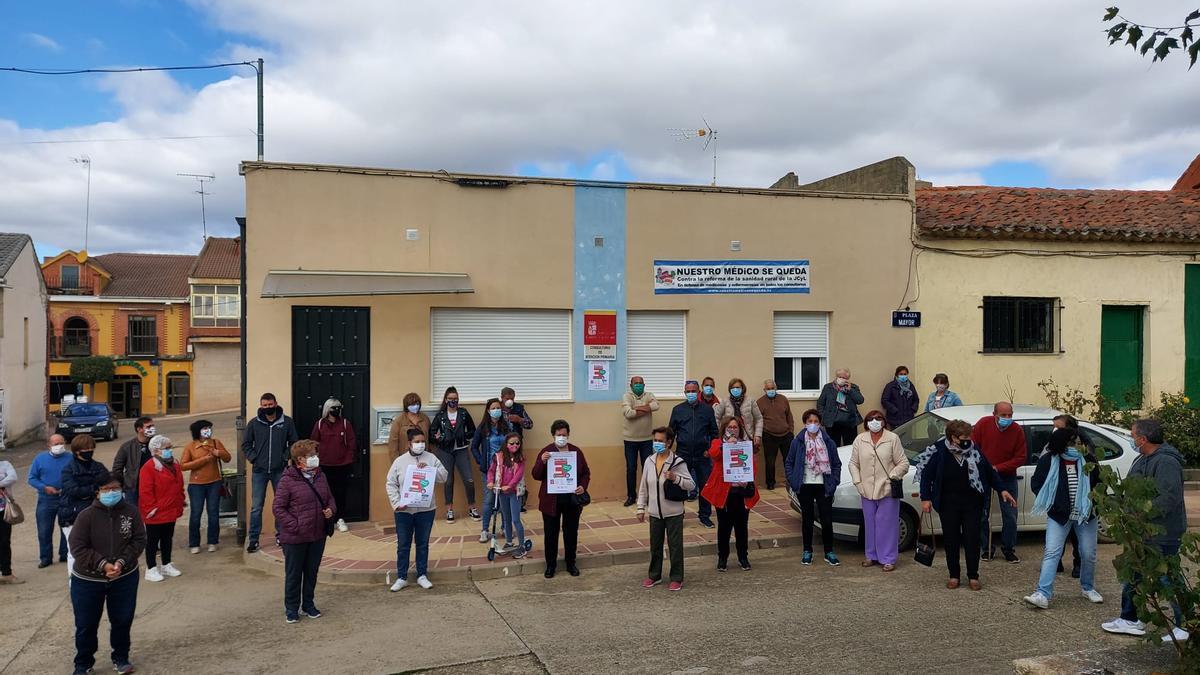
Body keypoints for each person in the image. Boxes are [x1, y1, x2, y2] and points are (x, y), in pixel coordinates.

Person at [1102, 419, 1190, 641]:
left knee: (1167, 576)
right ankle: (1130, 618)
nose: (1131, 440)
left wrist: (1140, 516)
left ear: (1143, 439)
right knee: (1133, 573)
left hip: (1163, 532)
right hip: (1141, 532)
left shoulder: (1167, 462)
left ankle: (1186, 624)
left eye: (1133, 436)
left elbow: (1168, 498)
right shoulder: (1144, 458)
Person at [915, 420, 1017, 590]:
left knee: (972, 539)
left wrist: (1002, 490)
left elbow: (989, 471)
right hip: (948, 504)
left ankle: (973, 576)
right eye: (964, 437)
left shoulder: (974, 450)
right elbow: (927, 476)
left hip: (972, 503)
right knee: (951, 540)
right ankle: (954, 575)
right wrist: (925, 498)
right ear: (953, 438)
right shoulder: (939, 451)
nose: (968, 439)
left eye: (969, 436)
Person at [68, 472, 146, 675]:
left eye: (115, 489)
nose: (111, 492)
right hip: (88, 579)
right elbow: (77, 546)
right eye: (106, 489)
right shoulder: (86, 516)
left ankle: (121, 658)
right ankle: (83, 663)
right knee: (86, 623)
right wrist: (102, 564)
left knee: (122, 619)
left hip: (124, 576)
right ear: (97, 493)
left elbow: (138, 540)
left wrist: (121, 562)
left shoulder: (131, 512)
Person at [1023, 427, 1104, 610]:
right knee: (1052, 552)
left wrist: (1094, 501)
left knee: (1088, 553)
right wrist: (1053, 503)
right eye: (1072, 442)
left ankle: (1088, 587)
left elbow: (1100, 484)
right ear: (1062, 443)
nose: (1076, 446)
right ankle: (1042, 593)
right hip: (1059, 515)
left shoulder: (1089, 461)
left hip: (1086, 515)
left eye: (1078, 442)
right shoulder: (1048, 461)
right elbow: (1037, 484)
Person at [272, 439, 336, 623]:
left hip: (317, 534)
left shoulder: (320, 476)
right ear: (299, 459)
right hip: (295, 537)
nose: (316, 458)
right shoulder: (287, 480)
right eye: (312, 456)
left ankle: (309, 604)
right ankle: (291, 608)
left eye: (316, 455)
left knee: (311, 572)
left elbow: (330, 498)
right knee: (294, 573)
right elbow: (278, 508)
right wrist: (296, 525)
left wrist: (331, 510)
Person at [387, 428, 449, 591]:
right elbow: (391, 483)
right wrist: (396, 503)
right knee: (403, 544)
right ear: (409, 443)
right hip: (404, 511)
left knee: (422, 544)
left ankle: (422, 574)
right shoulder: (400, 461)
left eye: (423, 441)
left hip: (426, 510)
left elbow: (444, 477)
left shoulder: (431, 458)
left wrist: (430, 469)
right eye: (417, 442)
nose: (420, 444)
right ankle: (402, 577)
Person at [849, 410, 909, 571]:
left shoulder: (892, 438)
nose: (874, 421)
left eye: (878, 418)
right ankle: (871, 555)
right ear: (866, 423)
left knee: (887, 524)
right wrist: (858, 482)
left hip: (887, 489)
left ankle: (888, 558)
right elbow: (853, 463)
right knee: (870, 524)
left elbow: (903, 463)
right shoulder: (860, 439)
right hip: (866, 489)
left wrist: (893, 476)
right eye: (871, 419)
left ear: (884, 421)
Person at [636, 427, 695, 591]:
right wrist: (641, 507)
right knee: (655, 545)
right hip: (654, 512)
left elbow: (691, 484)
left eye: (660, 441)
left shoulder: (678, 462)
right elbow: (643, 486)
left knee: (675, 546)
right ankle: (654, 575)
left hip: (674, 512)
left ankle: (677, 577)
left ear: (669, 442)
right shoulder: (649, 461)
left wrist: (675, 478)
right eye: (655, 440)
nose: (657, 443)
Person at [532, 420, 590, 578]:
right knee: (551, 534)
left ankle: (571, 564)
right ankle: (551, 565)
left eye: (564, 434)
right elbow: (536, 475)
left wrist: (582, 487)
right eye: (559, 435)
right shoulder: (547, 451)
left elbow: (585, 473)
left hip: (571, 500)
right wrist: (542, 462)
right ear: (553, 435)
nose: (562, 437)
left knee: (571, 533)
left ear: (568, 435)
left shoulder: (576, 452)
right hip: (551, 500)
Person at [243, 393, 300, 553]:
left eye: (270, 404)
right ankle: (253, 539)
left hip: (279, 470)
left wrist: (284, 457)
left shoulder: (286, 422)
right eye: (264, 405)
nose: (268, 407)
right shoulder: (254, 423)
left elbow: (294, 442)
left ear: (275, 403)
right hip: (259, 472)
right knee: (256, 507)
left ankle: (281, 535)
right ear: (261, 406)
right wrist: (254, 458)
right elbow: (246, 444)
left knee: (281, 505)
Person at [785, 409, 843, 566]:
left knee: (826, 519)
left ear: (820, 423)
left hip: (823, 485)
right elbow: (789, 462)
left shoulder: (828, 442)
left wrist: (834, 481)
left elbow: (836, 464)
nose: (813, 424)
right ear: (805, 423)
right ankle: (807, 551)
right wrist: (792, 480)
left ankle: (829, 551)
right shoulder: (798, 441)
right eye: (809, 421)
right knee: (807, 519)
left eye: (816, 421)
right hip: (804, 485)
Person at [704, 417, 761, 572]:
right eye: (730, 427)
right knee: (724, 527)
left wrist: (748, 479)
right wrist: (725, 446)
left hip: (741, 492)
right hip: (724, 493)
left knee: (741, 527)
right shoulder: (718, 442)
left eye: (735, 427)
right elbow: (713, 453)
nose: (733, 430)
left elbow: (752, 466)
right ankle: (722, 558)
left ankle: (743, 557)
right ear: (724, 429)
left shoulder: (745, 444)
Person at [972, 402, 1026, 563]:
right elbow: (974, 448)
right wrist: (986, 467)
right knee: (982, 513)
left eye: (1010, 415)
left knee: (1010, 514)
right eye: (1003, 415)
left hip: (1006, 475)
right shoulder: (983, 424)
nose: (1007, 418)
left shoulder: (1017, 430)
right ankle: (986, 548)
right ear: (995, 414)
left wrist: (999, 467)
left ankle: (1008, 548)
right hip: (984, 475)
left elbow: (1021, 457)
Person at [668, 380, 719, 528]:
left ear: (698, 392)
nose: (691, 393)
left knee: (705, 486)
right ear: (685, 392)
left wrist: (709, 451)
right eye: (688, 391)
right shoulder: (677, 410)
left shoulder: (707, 410)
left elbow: (714, 432)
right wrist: (669, 451)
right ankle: (678, 515)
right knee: (679, 484)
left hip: (702, 455)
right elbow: (671, 432)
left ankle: (704, 516)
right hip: (682, 454)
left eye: (693, 391)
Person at [59, 435, 110, 579]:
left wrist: (92, 489)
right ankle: (74, 580)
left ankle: (95, 576)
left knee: (97, 548)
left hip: (97, 514)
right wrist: (95, 489)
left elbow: (108, 483)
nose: (89, 451)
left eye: (91, 448)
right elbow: (73, 491)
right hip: (72, 515)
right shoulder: (68, 470)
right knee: (74, 551)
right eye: (85, 449)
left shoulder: (98, 466)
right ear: (76, 451)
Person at [139, 435, 185, 582]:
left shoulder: (175, 465)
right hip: (156, 512)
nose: (169, 450)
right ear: (156, 450)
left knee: (167, 538)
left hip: (171, 509)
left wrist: (181, 501)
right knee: (152, 540)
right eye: (166, 448)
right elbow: (146, 491)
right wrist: (152, 509)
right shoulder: (148, 467)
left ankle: (166, 564)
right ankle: (151, 568)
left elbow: (179, 486)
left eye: (170, 447)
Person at [180, 419, 232, 554]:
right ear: (198, 431)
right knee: (196, 514)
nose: (207, 430)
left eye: (209, 428)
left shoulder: (216, 442)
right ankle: (194, 543)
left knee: (213, 513)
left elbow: (228, 458)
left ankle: (213, 541)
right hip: (196, 485)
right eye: (204, 428)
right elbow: (183, 465)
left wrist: (218, 453)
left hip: (214, 482)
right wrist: (203, 460)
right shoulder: (191, 446)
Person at [430, 386, 480, 523]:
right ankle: (449, 510)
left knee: (469, 479)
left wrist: (464, 436)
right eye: (450, 399)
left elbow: (472, 430)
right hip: (445, 451)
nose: (453, 401)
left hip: (462, 449)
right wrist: (440, 438)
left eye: (456, 399)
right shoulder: (440, 416)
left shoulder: (463, 413)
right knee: (448, 481)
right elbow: (432, 433)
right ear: (446, 400)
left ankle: (472, 507)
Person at [309, 397, 356, 533]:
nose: (336, 410)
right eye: (333, 408)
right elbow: (313, 444)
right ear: (327, 410)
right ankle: (326, 520)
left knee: (341, 493)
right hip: (324, 465)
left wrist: (348, 459)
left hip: (342, 465)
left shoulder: (345, 424)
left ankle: (340, 518)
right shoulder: (319, 425)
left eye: (338, 407)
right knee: (324, 493)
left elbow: (352, 444)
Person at [28, 434, 72, 568]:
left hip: (66, 498)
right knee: (44, 530)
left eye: (61, 443)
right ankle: (46, 557)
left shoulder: (71, 458)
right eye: (55, 444)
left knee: (67, 527)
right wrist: (44, 487)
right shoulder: (40, 459)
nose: (59, 446)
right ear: (49, 445)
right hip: (46, 499)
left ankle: (65, 554)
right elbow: (32, 478)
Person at [472, 398, 512, 543]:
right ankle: (484, 530)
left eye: (498, 407)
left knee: (504, 499)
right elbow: (474, 447)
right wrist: (480, 460)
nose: (496, 410)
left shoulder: (506, 427)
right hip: (489, 470)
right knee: (489, 499)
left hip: (505, 469)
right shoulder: (483, 428)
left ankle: (504, 527)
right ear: (488, 411)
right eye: (493, 408)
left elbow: (513, 444)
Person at [1047, 414, 1082, 577]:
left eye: (1058, 427)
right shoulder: (1052, 447)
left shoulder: (1082, 448)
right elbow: (1040, 478)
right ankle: (1056, 563)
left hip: (1079, 506)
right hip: (1060, 505)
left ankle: (1079, 565)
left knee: (1079, 540)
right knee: (1054, 542)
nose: (1055, 430)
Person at [487, 432, 529, 558]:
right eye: (512, 443)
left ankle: (522, 546)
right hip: (501, 492)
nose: (515, 445)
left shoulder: (520, 459)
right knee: (506, 518)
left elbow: (518, 475)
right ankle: (509, 542)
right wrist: (490, 481)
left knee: (516, 519)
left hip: (514, 493)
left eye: (517, 443)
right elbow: (491, 471)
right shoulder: (498, 457)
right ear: (506, 444)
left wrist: (510, 486)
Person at [621, 375, 660, 507]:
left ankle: (647, 496)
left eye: (641, 383)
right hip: (630, 440)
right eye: (636, 383)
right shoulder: (627, 396)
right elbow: (628, 414)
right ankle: (631, 496)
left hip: (647, 439)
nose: (638, 385)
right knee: (631, 468)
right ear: (631, 385)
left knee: (648, 468)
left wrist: (637, 408)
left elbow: (656, 406)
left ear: (644, 384)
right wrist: (646, 408)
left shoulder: (649, 394)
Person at [756, 379, 795, 490]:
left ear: (776, 388)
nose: (770, 390)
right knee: (770, 461)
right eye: (768, 389)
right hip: (769, 436)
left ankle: (791, 481)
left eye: (772, 388)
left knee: (788, 460)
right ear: (764, 390)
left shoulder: (783, 399)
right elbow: (757, 419)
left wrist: (791, 431)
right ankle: (770, 483)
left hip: (786, 435)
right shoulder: (760, 402)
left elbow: (789, 416)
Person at [111, 416, 154, 507]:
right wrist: (123, 485)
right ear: (139, 429)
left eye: (153, 426)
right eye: (148, 427)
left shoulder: (156, 444)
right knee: (133, 516)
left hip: (153, 488)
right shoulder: (127, 447)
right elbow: (117, 468)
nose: (152, 429)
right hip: (133, 489)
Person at [815, 368, 864, 446]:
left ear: (847, 379)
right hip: (832, 421)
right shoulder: (828, 387)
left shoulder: (853, 387)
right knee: (833, 445)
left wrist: (850, 390)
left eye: (844, 378)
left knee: (850, 446)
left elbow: (860, 400)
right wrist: (823, 416)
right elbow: (820, 403)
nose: (841, 379)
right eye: (839, 377)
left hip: (849, 421)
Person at [713, 377, 763, 451]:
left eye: (737, 387)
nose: (735, 389)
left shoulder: (750, 401)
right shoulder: (725, 401)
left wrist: (758, 435)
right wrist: (721, 431)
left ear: (742, 388)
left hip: (747, 438)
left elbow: (759, 418)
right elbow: (716, 417)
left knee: (746, 460)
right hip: (729, 439)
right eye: (733, 387)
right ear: (730, 389)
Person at [388, 392, 430, 459]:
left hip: (423, 456)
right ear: (406, 405)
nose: (416, 406)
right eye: (412, 404)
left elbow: (430, 439)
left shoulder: (425, 419)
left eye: (417, 404)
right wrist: (396, 461)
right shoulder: (399, 421)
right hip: (405, 457)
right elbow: (393, 444)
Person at [0, 459, 18, 584]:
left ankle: (7, 573)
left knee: (5, 541)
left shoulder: (5, 464)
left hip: (4, 510)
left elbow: (13, 477)